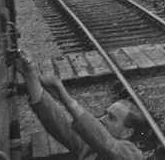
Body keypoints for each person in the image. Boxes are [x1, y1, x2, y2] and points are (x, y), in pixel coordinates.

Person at [14, 48, 146, 160]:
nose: (102, 119)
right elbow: (59, 123)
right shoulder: (89, 147)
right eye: (105, 114)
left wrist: (67, 100)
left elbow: (109, 146)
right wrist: (29, 75)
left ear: (126, 133)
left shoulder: (132, 155)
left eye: (111, 118)